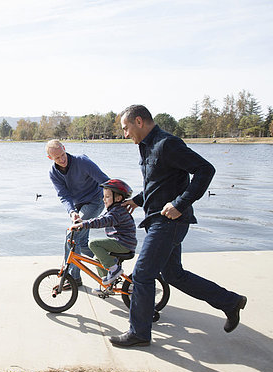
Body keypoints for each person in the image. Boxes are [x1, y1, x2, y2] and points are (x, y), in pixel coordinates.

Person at [110, 105, 247, 348]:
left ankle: (139, 333)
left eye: (125, 128)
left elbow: (205, 170)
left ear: (138, 121)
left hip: (169, 222)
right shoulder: (147, 146)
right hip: (157, 220)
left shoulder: (167, 144)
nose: (125, 134)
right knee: (173, 274)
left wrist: (180, 204)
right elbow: (159, 182)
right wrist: (137, 200)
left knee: (142, 275)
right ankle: (230, 302)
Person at [46, 139, 109, 286]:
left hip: (95, 201)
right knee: (80, 242)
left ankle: (73, 278)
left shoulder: (82, 161)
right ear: (50, 158)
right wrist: (72, 212)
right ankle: (108, 260)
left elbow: (105, 180)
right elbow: (63, 195)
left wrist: (116, 201)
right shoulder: (53, 173)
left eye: (63, 155)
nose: (62, 159)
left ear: (65, 148)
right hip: (78, 206)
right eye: (57, 158)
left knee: (72, 236)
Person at [71, 179, 137, 291]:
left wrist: (83, 225)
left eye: (107, 197)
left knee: (93, 244)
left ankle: (114, 269)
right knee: (98, 259)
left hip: (124, 244)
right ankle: (107, 285)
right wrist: (82, 222)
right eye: (103, 196)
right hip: (123, 243)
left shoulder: (117, 212)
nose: (103, 199)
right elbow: (100, 218)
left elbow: (103, 221)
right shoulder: (114, 209)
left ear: (118, 198)